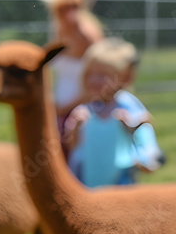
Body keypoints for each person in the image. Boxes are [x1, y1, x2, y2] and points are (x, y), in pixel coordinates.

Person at [64, 39, 164, 187]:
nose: (93, 80)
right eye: (90, 73)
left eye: (102, 75)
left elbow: (147, 144)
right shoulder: (84, 111)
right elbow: (74, 148)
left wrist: (147, 161)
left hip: (121, 186)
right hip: (86, 185)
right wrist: (75, 129)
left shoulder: (128, 107)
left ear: (125, 78)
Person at [42, 0, 104, 135]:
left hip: (85, 111)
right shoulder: (59, 32)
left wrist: (65, 108)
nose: (69, 13)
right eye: (63, 9)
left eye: (74, 7)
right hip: (59, 109)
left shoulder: (88, 36)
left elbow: (100, 80)